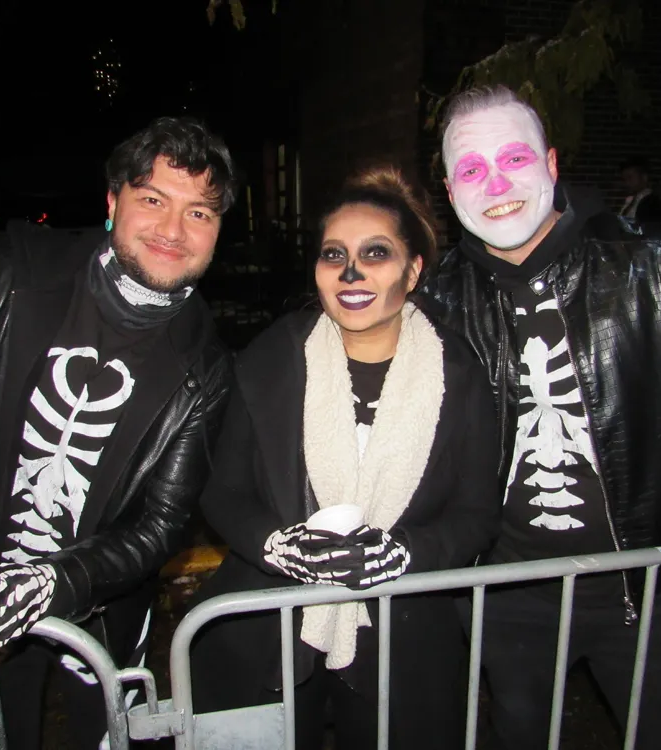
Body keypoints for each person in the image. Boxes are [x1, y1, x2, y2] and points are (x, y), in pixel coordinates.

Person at [0, 116, 236, 749]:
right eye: (152, 200)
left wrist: (54, 582)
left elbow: (161, 524)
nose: (172, 230)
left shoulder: (206, 365)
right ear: (112, 202)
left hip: (103, 607)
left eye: (198, 213)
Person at [417, 85, 661, 750]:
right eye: (472, 170)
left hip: (651, 591)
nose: (496, 185)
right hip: (510, 598)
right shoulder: (439, 301)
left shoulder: (654, 265)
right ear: (451, 192)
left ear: (552, 163)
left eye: (515, 158)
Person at [189, 166, 501, 750]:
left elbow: (476, 514)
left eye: (375, 253)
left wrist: (403, 554)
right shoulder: (271, 359)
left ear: (413, 271)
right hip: (271, 626)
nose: (350, 273)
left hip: (402, 635)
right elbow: (222, 492)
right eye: (334, 254)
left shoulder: (458, 374)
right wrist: (275, 545)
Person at [619, 155, 661, 226]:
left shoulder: (654, 204)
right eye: (624, 179)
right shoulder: (630, 201)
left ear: (644, 177)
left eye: (630, 178)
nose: (626, 183)